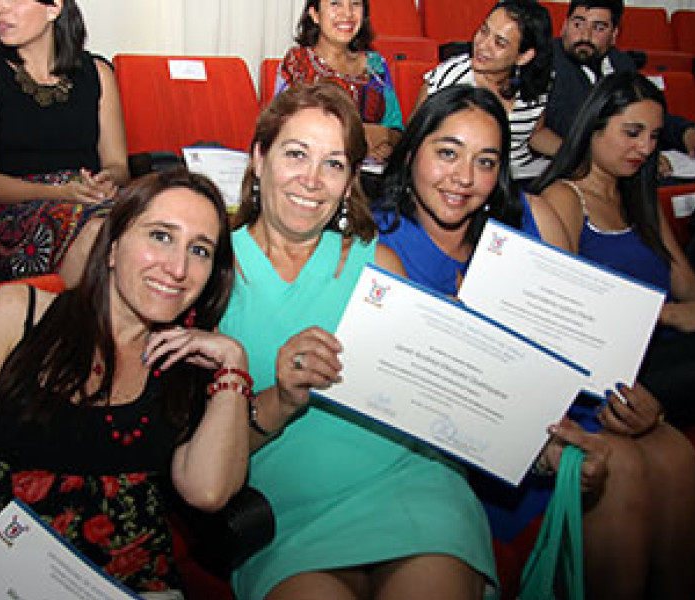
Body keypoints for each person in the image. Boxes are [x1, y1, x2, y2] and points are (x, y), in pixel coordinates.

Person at [376, 83, 695, 600]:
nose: (464, 178)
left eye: (486, 162)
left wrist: (630, 398)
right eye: (447, 153)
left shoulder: (532, 216)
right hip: (468, 435)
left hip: (561, 402)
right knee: (617, 466)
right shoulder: (378, 243)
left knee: (674, 452)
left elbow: (583, 341)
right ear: (413, 150)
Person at [0, 169, 250, 600]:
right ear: (112, 247)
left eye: (200, 250)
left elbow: (208, 491)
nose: (177, 268)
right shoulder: (17, 316)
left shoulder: (187, 362)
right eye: (160, 236)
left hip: (134, 589)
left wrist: (233, 364)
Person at [220, 81, 496, 600]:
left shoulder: (379, 264)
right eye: (296, 154)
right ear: (258, 158)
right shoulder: (210, 271)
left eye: (334, 164)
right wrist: (280, 399)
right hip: (284, 513)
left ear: (350, 183)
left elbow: (436, 399)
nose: (312, 180)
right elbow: (197, 452)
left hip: (409, 487)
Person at [535, 70, 695, 431]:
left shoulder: (638, 197)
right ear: (594, 127)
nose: (645, 148)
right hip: (622, 369)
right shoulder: (563, 198)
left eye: (654, 136)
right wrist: (667, 315)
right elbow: (567, 311)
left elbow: (689, 286)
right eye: (632, 133)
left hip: (672, 348)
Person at [0, 0, 129, 285]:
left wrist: (105, 181)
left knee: (150, 225)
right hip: (12, 215)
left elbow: (118, 165)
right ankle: (67, 314)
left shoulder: (98, 72)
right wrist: (60, 193)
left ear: (54, 8)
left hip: (87, 199)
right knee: (100, 232)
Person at [538, 0, 695, 185]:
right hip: (577, 162)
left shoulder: (622, 63)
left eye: (599, 28)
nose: (585, 36)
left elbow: (646, 113)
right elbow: (565, 125)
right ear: (564, 26)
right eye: (578, 24)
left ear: (614, 35)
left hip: (628, 156)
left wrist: (686, 131)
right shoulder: (545, 62)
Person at [413, 0, 554, 184]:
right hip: (469, 177)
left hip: (523, 176)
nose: (482, 45)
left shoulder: (540, 82)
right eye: (484, 31)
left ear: (523, 57)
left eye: (499, 43)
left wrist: (574, 153)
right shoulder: (450, 76)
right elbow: (415, 136)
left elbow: (535, 134)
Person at [276, 0, 402, 164]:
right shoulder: (298, 64)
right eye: (335, 3)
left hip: (371, 171)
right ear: (315, 14)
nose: (347, 13)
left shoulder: (376, 66)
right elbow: (282, 130)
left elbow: (398, 132)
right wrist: (355, 138)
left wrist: (386, 139)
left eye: (355, 4)